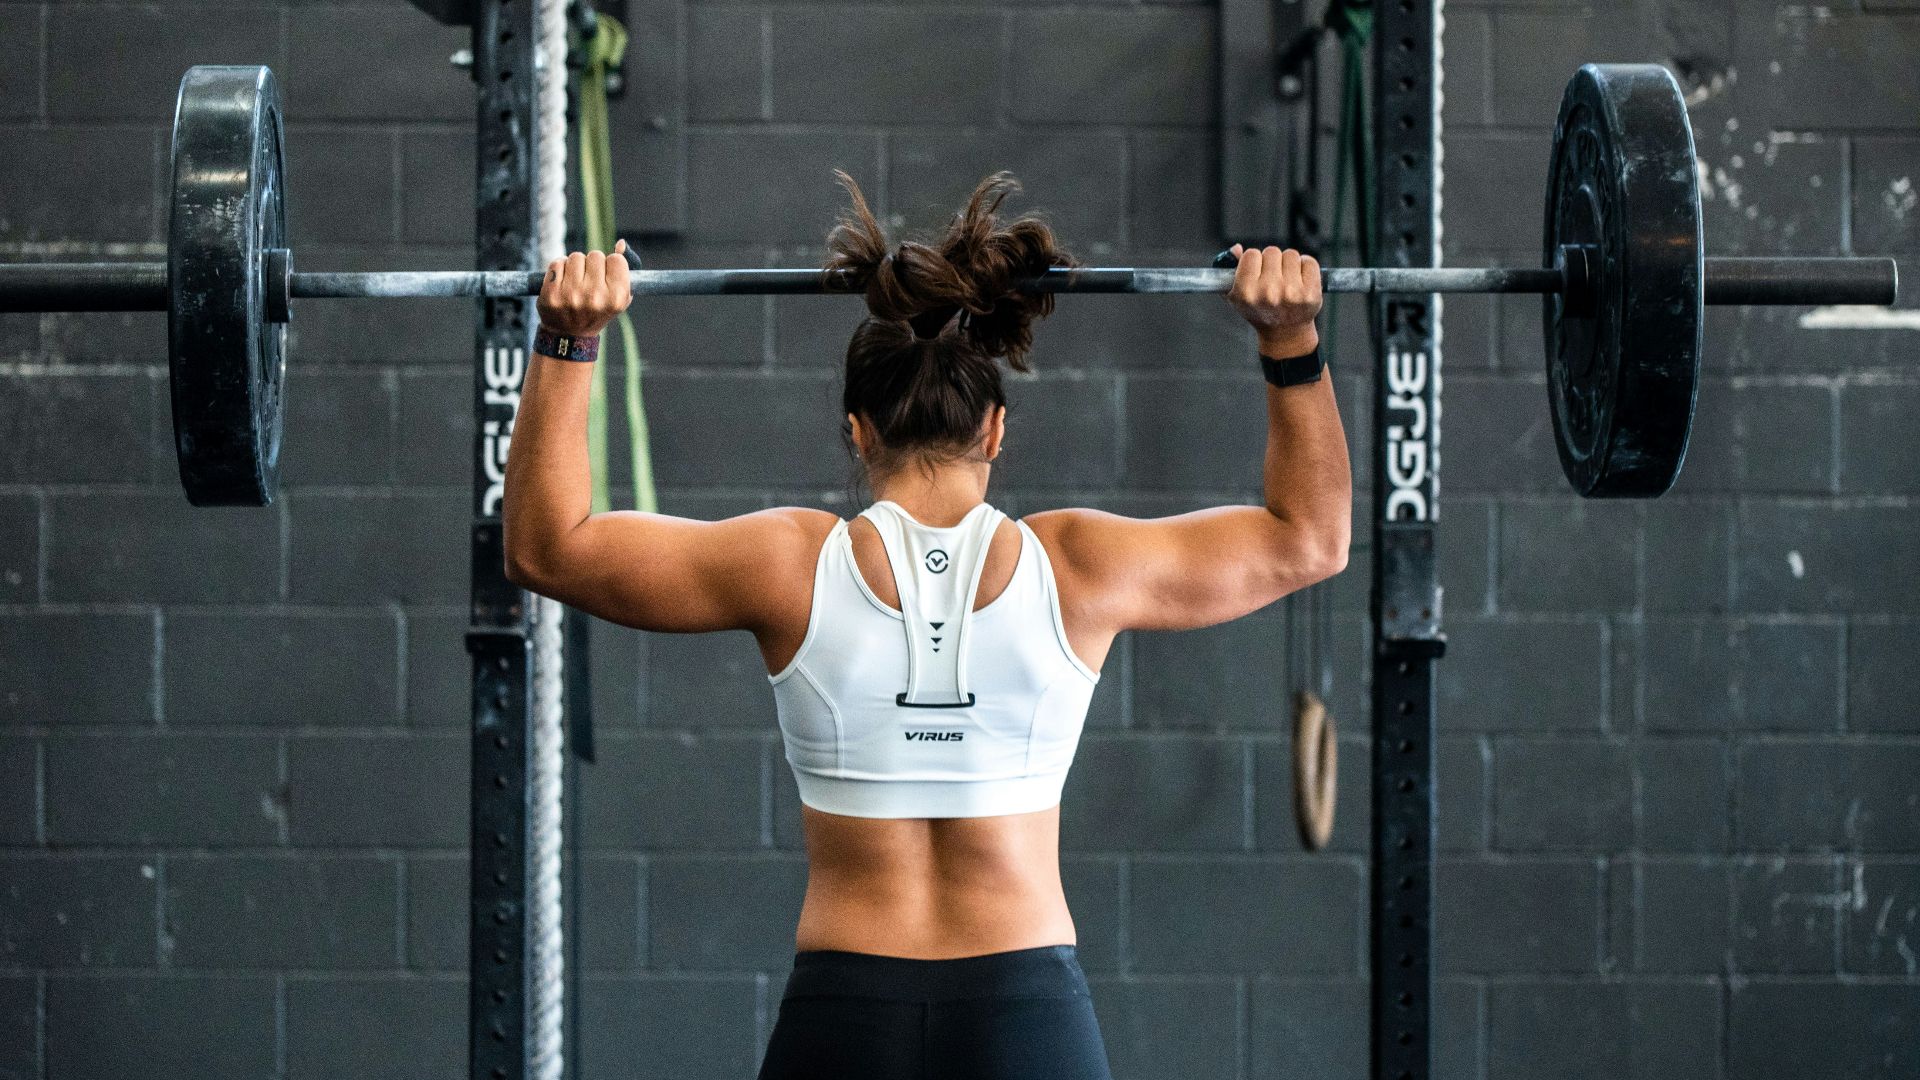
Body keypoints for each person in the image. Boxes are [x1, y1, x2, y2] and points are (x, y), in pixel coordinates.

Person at [502, 171, 1350, 1080]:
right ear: (995, 431)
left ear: (858, 431)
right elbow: (1310, 539)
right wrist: (1290, 340)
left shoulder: (788, 565)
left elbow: (547, 550)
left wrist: (568, 339)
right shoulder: (1078, 567)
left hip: (845, 1014)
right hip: (1027, 1014)